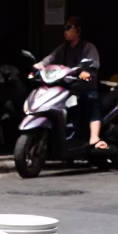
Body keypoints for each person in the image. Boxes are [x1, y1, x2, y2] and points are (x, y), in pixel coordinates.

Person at [37, 16, 105, 149]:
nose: (65, 31)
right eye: (65, 28)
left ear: (78, 30)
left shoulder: (88, 47)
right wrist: (40, 65)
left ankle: (94, 136)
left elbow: (94, 63)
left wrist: (84, 70)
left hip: (85, 87)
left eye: (69, 28)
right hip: (68, 87)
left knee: (91, 102)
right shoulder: (63, 48)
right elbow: (50, 58)